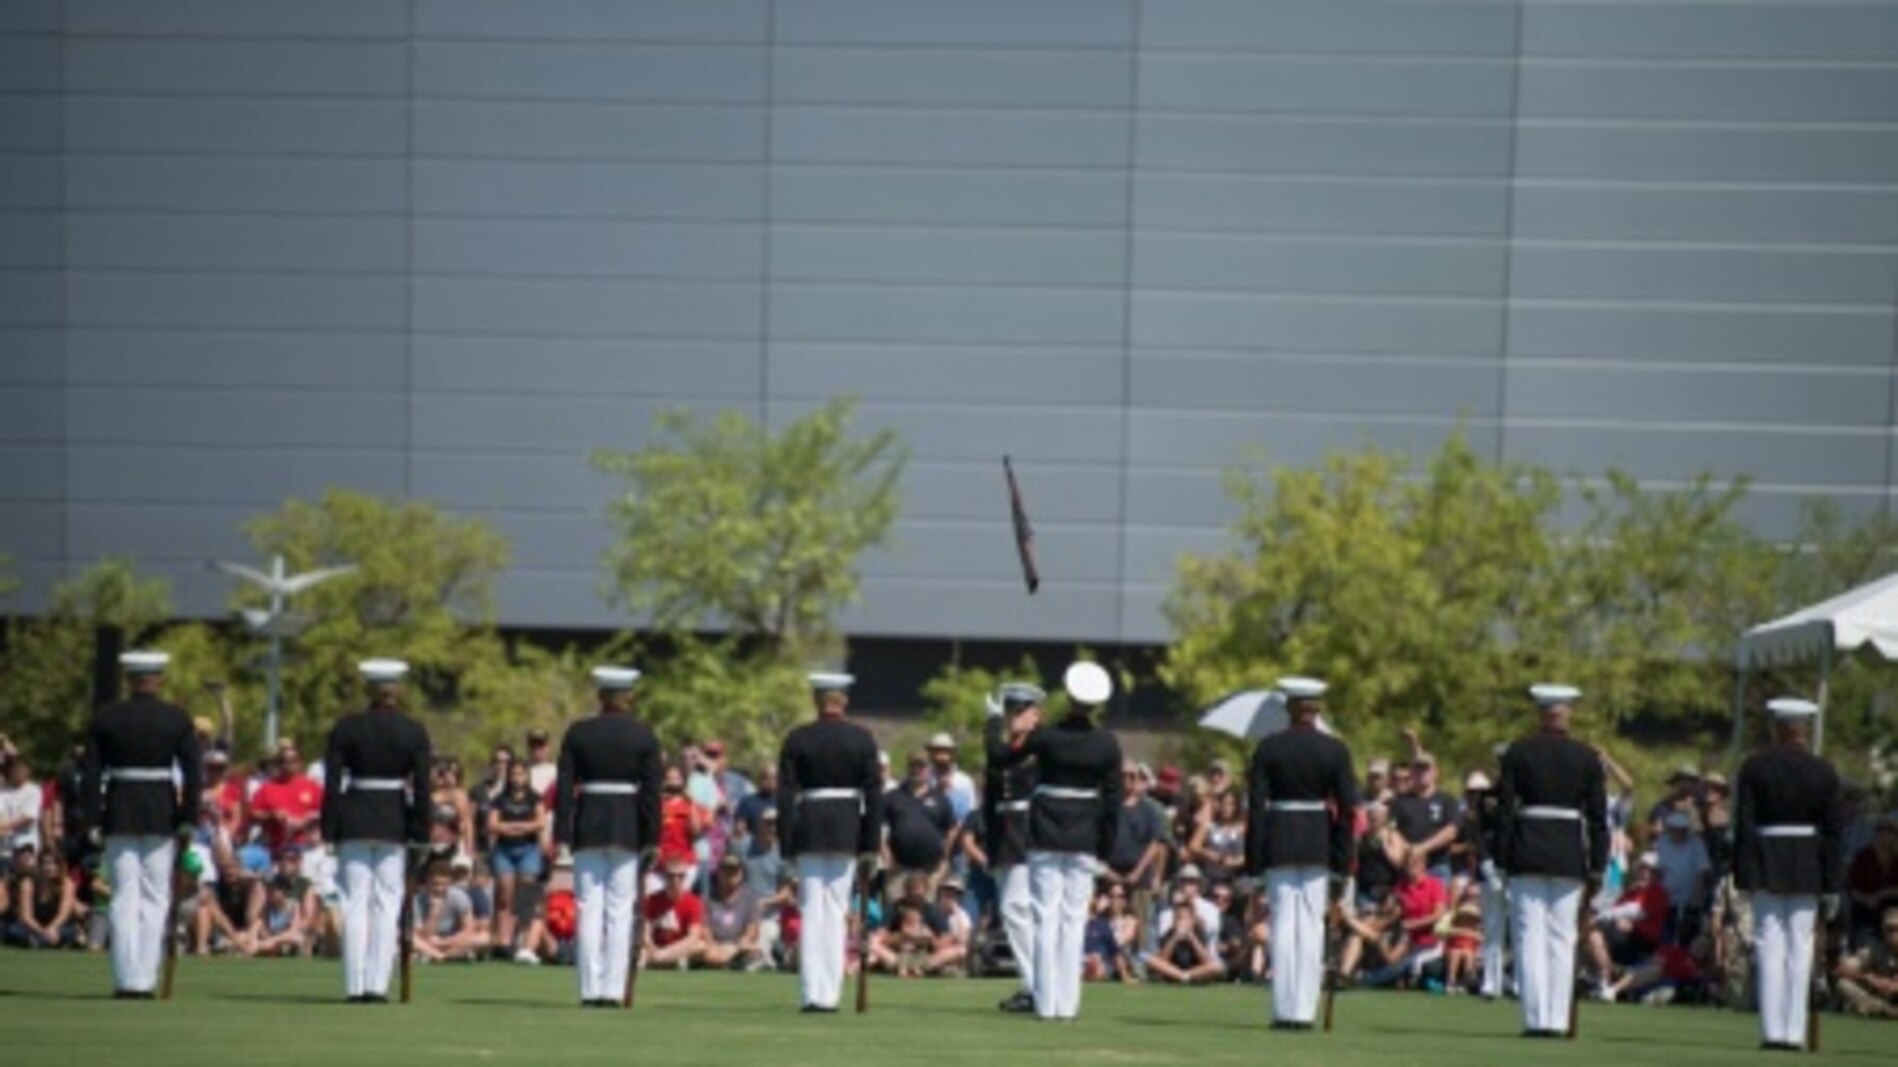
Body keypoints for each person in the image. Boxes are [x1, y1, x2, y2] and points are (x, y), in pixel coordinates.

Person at [987, 660, 1123, 1022]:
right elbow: (1113, 804)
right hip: (1084, 839)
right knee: (1073, 921)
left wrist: (992, 724)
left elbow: (1000, 758)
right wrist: (1105, 852)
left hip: (1046, 833)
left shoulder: (1047, 737)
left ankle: (1046, 1004)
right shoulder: (1107, 744)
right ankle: (1068, 1004)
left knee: (1045, 917)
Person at [81, 650, 202, 998]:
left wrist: (92, 818)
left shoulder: (106, 717)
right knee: (155, 897)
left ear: (129, 680)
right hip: (160, 812)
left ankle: (124, 979)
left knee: (122, 897)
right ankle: (145, 978)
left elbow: (90, 775)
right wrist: (188, 818)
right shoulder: (176, 718)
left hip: (119, 810)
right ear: (158, 679)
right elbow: (193, 774)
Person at [1495, 683, 1609, 1038]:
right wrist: (1598, 865)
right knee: (1562, 938)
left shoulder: (1518, 752)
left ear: (1541, 713)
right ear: (1568, 714)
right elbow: (1598, 818)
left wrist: (1502, 857)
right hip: (1568, 854)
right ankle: (1557, 1021)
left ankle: (1535, 1018)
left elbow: (1504, 812)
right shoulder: (1587, 757)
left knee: (1530, 936)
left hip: (1527, 850)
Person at [1245, 676, 1358, 1030]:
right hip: (1317, 843)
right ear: (1317, 707)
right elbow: (1348, 810)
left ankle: (1284, 1010)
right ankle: (1303, 1011)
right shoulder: (1335, 750)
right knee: (1310, 927)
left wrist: (1254, 861)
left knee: (1283, 926)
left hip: (1279, 839)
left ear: (1290, 707)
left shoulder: (1268, 748)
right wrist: (1342, 862)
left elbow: (1256, 809)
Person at [1734, 696, 1844, 1051]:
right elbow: (1833, 833)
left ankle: (1772, 1030)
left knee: (1769, 944)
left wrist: (1744, 875)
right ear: (1804, 730)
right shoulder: (1824, 771)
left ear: (1777, 728)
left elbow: (1745, 825)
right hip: (1808, 863)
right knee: (1801, 946)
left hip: (1767, 859)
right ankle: (1794, 1032)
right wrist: (1832, 882)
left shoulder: (1755, 767)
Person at [319, 658, 432, 1004]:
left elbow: (333, 784)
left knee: (355, 904)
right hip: (393, 821)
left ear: (370, 689)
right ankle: (376, 985)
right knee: (386, 903)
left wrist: (330, 828)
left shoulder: (347, 727)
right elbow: (422, 788)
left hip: (354, 818)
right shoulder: (413, 730)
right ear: (396, 690)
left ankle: (355, 985)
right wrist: (420, 830)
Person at [554, 665, 663, 1007]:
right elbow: (651, 794)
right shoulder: (643, 735)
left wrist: (562, 832)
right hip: (627, 828)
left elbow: (564, 791)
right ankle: (613, 990)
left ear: (600, 696)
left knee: (588, 907)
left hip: (588, 823)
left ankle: (590, 988)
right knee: (619, 909)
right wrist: (651, 838)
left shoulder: (578, 733)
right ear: (628, 697)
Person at [777, 672, 883, 1013]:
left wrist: (786, 843)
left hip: (809, 826)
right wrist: (870, 844)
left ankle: (812, 994)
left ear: (815, 700)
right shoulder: (862, 739)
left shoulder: (798, 738)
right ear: (844, 700)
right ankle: (830, 993)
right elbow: (875, 797)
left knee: (812, 911)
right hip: (846, 828)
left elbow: (784, 797)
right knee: (836, 912)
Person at [982, 681, 1043, 1012]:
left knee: (1016, 909)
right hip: (1005, 837)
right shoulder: (1004, 749)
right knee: (1017, 913)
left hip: (1030, 835)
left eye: (1021, 711)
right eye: (1010, 711)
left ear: (1036, 715)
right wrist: (992, 849)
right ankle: (1031, 984)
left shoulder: (1040, 748)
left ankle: (1037, 986)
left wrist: (991, 728)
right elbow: (992, 803)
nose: (1014, 718)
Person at [1584, 851, 1669, 1001]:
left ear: (1656, 875)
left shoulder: (1657, 892)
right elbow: (1618, 910)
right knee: (1589, 934)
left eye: (1649, 870)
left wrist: (1610, 916)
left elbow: (1637, 911)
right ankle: (1603, 979)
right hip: (1624, 938)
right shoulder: (1631, 892)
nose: (1644, 873)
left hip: (1642, 942)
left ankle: (1606, 981)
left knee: (1593, 931)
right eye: (1642, 869)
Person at [486, 759, 547, 963]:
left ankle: (524, 943)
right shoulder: (500, 799)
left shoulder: (534, 798)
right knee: (505, 896)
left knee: (526, 897)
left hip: (528, 849)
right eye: (513, 774)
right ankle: (504, 942)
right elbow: (493, 824)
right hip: (505, 850)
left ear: (527, 776)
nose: (517, 778)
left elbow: (540, 823)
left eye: (521, 774)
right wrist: (520, 827)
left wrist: (513, 827)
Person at [1460, 771, 1509, 999]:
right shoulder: (1472, 817)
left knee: (1518, 931)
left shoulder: (1505, 808)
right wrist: (1487, 867)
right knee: (1491, 929)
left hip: (1510, 874)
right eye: (1471, 793)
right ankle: (1491, 982)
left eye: (1480, 792)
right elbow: (1478, 842)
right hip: (1488, 874)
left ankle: (1515, 981)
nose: (1476, 797)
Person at [883, 748, 955, 883]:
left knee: (929, 905)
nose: (916, 770)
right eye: (913, 765)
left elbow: (951, 830)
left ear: (929, 769)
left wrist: (944, 859)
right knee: (896, 904)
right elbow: (879, 828)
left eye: (921, 766)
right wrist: (886, 854)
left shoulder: (941, 798)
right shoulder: (892, 797)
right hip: (898, 870)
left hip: (931, 871)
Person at [251, 743, 323, 858]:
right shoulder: (268, 788)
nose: (288, 764)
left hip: (306, 848)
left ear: (299, 762)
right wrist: (272, 815)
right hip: (276, 849)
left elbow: (325, 811)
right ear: (278, 764)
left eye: (293, 760)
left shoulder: (311, 786)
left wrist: (307, 819)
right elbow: (253, 814)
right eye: (283, 760)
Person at [6, 848, 82, 949]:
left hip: (57, 926)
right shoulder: (28, 883)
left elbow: (63, 914)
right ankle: (50, 942)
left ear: (59, 866)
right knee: (13, 930)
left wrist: (52, 928)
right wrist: (43, 932)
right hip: (34, 926)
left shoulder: (67, 884)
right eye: (45, 863)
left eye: (53, 863)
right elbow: (26, 916)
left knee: (72, 931)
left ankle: (37, 942)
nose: (49, 867)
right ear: (39, 865)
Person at [410, 860, 485, 962]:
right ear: (427, 882)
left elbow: (468, 929)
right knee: (408, 938)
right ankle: (441, 956)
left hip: (452, 940)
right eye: (435, 884)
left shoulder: (459, 897)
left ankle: (439, 955)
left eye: (444, 884)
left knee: (485, 937)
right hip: (426, 941)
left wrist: (443, 942)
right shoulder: (417, 900)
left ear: (450, 883)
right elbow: (421, 935)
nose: (439, 888)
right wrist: (434, 911)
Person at [643, 855, 708, 969]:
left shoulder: (693, 902)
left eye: (680, 876)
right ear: (665, 877)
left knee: (701, 946)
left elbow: (693, 936)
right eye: (671, 876)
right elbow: (645, 930)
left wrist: (666, 953)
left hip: (678, 947)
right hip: (657, 946)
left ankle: (661, 961)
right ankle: (672, 962)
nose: (675, 880)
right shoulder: (652, 900)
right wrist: (651, 946)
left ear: (685, 878)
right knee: (638, 950)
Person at [703, 853, 764, 970]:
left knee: (753, 949)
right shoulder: (708, 899)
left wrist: (736, 946)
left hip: (739, 945)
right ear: (719, 873)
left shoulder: (750, 898)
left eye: (734, 871)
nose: (729, 875)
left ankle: (731, 961)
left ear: (741, 874)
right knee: (706, 951)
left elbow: (752, 930)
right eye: (725, 870)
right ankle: (730, 962)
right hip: (716, 945)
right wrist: (713, 945)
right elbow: (705, 929)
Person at [1836, 905, 1898, 1018]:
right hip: (1880, 997)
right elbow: (1841, 969)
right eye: (1890, 929)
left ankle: (1879, 1010)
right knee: (1843, 984)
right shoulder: (1874, 950)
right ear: (1883, 931)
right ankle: (1880, 1008)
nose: (1894, 934)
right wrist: (1869, 978)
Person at [926, 733, 978, 824]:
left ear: (952, 754)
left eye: (945, 752)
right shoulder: (924, 779)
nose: (941, 757)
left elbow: (970, 813)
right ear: (931, 754)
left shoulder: (963, 781)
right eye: (937, 751)